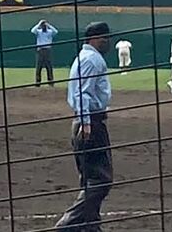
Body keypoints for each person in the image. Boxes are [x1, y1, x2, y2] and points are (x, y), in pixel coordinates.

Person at [56, 21, 113, 232]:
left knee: (89, 179)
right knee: (101, 180)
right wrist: (87, 123)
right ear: (93, 39)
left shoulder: (87, 57)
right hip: (91, 122)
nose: (107, 42)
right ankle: (67, 226)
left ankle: (90, 227)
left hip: (85, 121)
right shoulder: (91, 59)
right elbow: (82, 92)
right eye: (104, 38)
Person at [31, 20, 57, 87]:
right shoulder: (39, 32)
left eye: (44, 25)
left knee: (49, 67)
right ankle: (38, 83)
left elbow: (55, 31)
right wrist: (39, 23)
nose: (44, 27)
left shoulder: (49, 32)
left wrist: (49, 25)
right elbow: (33, 31)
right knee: (38, 67)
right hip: (40, 50)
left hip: (47, 50)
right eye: (43, 25)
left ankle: (51, 82)